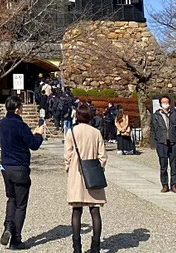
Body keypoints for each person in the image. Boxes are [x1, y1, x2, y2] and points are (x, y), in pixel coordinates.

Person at [0, 95, 44, 250]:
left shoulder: (2, 124)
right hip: (20, 168)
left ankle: (8, 226)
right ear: (17, 109)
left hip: (6, 166)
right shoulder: (20, 125)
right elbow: (33, 144)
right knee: (21, 204)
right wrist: (38, 134)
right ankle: (16, 239)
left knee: (11, 199)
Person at [65, 103, 107, 253]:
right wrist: (98, 169)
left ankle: (77, 248)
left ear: (77, 115)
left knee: (76, 211)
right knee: (95, 211)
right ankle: (96, 247)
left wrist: (68, 169)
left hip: (77, 173)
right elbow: (102, 156)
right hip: (93, 173)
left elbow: (67, 155)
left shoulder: (72, 132)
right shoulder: (96, 133)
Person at [150, 95, 176, 193]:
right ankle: (164, 184)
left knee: (173, 165)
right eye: (163, 102)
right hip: (162, 142)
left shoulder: (174, 114)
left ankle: (174, 185)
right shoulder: (156, 116)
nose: (165, 104)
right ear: (160, 104)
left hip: (173, 141)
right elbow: (153, 129)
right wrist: (155, 141)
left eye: (167, 102)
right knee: (163, 165)